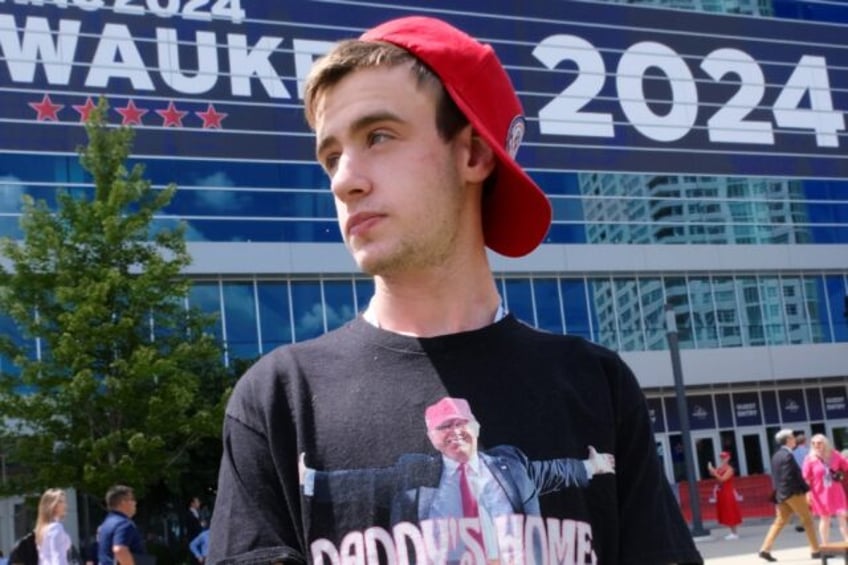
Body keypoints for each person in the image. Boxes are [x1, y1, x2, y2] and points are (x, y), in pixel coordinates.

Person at [207, 14, 703, 565]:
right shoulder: (279, 401)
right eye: (330, 156)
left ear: (473, 154)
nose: (345, 179)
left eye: (378, 136)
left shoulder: (595, 386)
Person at [300, 397, 614, 562]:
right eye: (443, 427)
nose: (455, 432)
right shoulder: (413, 474)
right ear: (431, 437)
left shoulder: (513, 466)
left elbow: (556, 471)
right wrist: (310, 479)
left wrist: (592, 465)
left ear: (476, 426)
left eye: (460, 422)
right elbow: (363, 483)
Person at [758, 428, 821, 561]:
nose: (794, 439)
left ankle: (765, 549)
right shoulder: (787, 455)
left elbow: (776, 477)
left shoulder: (776, 455)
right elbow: (791, 477)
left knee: (780, 521)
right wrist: (806, 489)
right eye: (792, 437)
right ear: (788, 440)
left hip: (781, 494)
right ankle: (816, 551)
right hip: (792, 493)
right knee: (808, 520)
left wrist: (780, 494)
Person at [802, 434, 848, 545]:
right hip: (819, 492)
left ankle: (847, 540)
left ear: (825, 443)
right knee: (825, 518)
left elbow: (846, 466)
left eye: (819, 443)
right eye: (813, 443)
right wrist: (808, 494)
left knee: (842, 515)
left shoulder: (835, 454)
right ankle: (825, 544)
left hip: (836, 490)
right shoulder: (809, 459)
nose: (816, 445)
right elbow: (806, 477)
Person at [97, 485, 146, 565]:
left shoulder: (105, 524)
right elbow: (119, 550)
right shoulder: (124, 524)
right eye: (132, 499)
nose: (135, 502)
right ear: (123, 502)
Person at [707, 451, 743, 540]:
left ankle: (734, 533)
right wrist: (711, 469)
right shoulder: (721, 468)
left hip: (727, 492)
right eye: (721, 457)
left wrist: (714, 472)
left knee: (730, 511)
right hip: (722, 492)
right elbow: (714, 474)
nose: (722, 459)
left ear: (728, 458)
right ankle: (732, 532)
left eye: (724, 457)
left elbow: (723, 479)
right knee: (726, 512)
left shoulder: (729, 469)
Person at [34, 488, 71, 565]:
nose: (65, 505)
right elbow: (57, 557)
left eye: (64, 501)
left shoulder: (41, 528)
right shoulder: (55, 527)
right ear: (52, 505)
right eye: (61, 502)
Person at [791, 431, 810, 532]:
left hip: (798, 479)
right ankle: (824, 519)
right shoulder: (808, 452)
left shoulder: (792, 453)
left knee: (801, 502)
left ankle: (801, 522)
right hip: (809, 478)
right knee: (814, 500)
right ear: (805, 441)